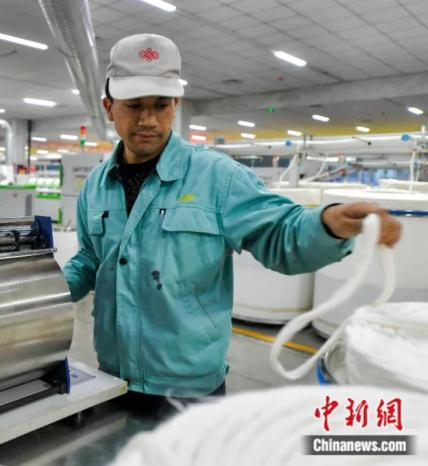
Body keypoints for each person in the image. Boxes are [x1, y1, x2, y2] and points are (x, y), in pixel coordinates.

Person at [62, 34, 401, 415]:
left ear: (176, 104)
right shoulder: (96, 185)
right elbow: (89, 260)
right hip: (113, 373)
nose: (148, 119)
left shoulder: (217, 177)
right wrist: (42, 293)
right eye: (134, 105)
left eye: (161, 104)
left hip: (188, 387)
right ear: (109, 108)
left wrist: (327, 224)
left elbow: (281, 236)